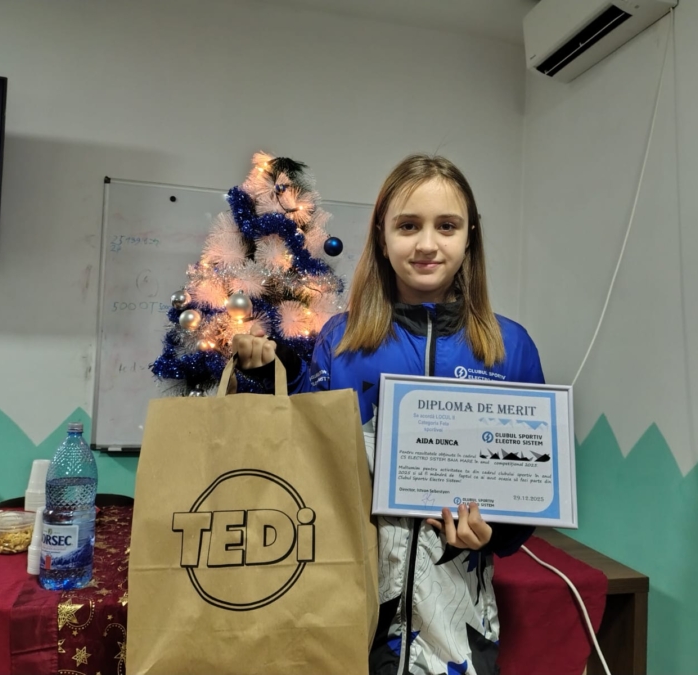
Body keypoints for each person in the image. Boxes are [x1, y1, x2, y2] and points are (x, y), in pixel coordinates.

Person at [233, 154, 544, 675]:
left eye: (447, 226)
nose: (427, 244)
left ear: (470, 236)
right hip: (347, 611)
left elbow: (528, 490)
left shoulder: (508, 347)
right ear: (382, 236)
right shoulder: (342, 339)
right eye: (408, 226)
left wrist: (495, 531)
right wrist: (272, 371)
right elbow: (308, 447)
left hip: (458, 624)